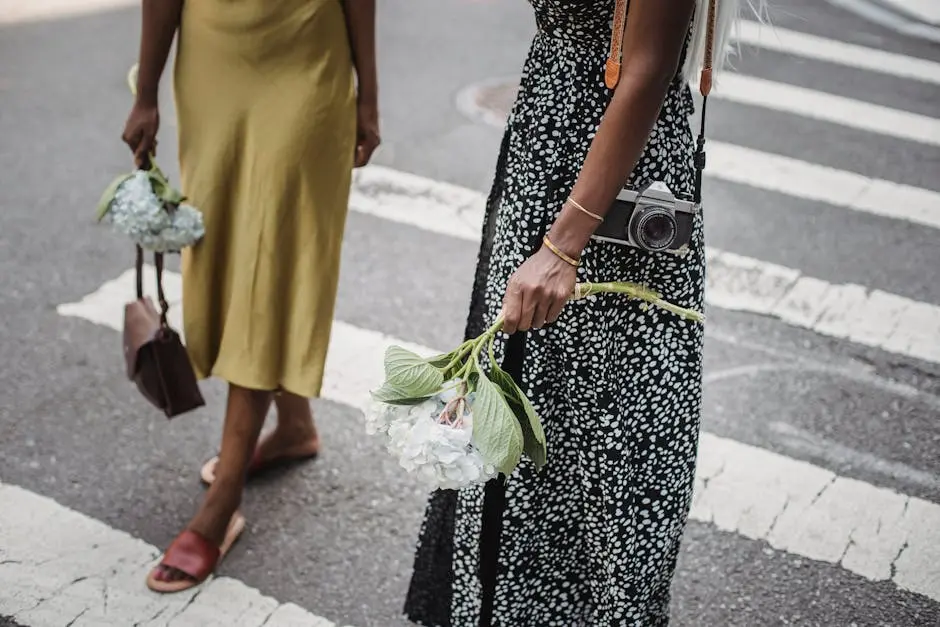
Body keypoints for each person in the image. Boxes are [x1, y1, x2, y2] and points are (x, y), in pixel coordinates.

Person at [404, 0, 758, 625]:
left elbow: (646, 69)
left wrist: (562, 245)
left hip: (602, 186)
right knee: (525, 406)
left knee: (608, 438)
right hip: (548, 150)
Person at [121, 0, 379, 593]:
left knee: (271, 264)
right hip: (214, 65)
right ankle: (294, 427)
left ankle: (224, 498)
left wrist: (368, 93)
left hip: (309, 58)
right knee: (223, 249)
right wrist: (147, 90)